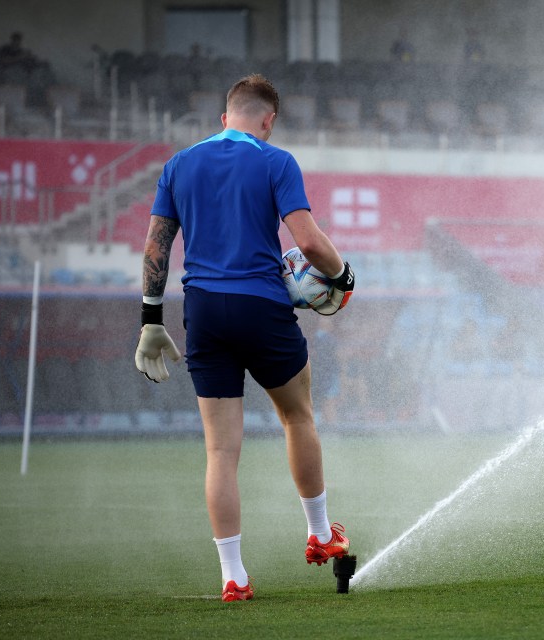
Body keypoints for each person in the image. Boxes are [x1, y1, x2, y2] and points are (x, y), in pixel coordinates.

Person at [133, 73, 356, 603]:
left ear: (223, 117)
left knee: (220, 451)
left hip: (204, 310)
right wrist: (344, 276)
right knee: (296, 416)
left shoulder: (179, 164)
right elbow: (309, 242)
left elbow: (155, 247)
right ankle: (322, 534)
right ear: (268, 120)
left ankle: (234, 577)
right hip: (261, 304)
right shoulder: (275, 160)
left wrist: (149, 319)